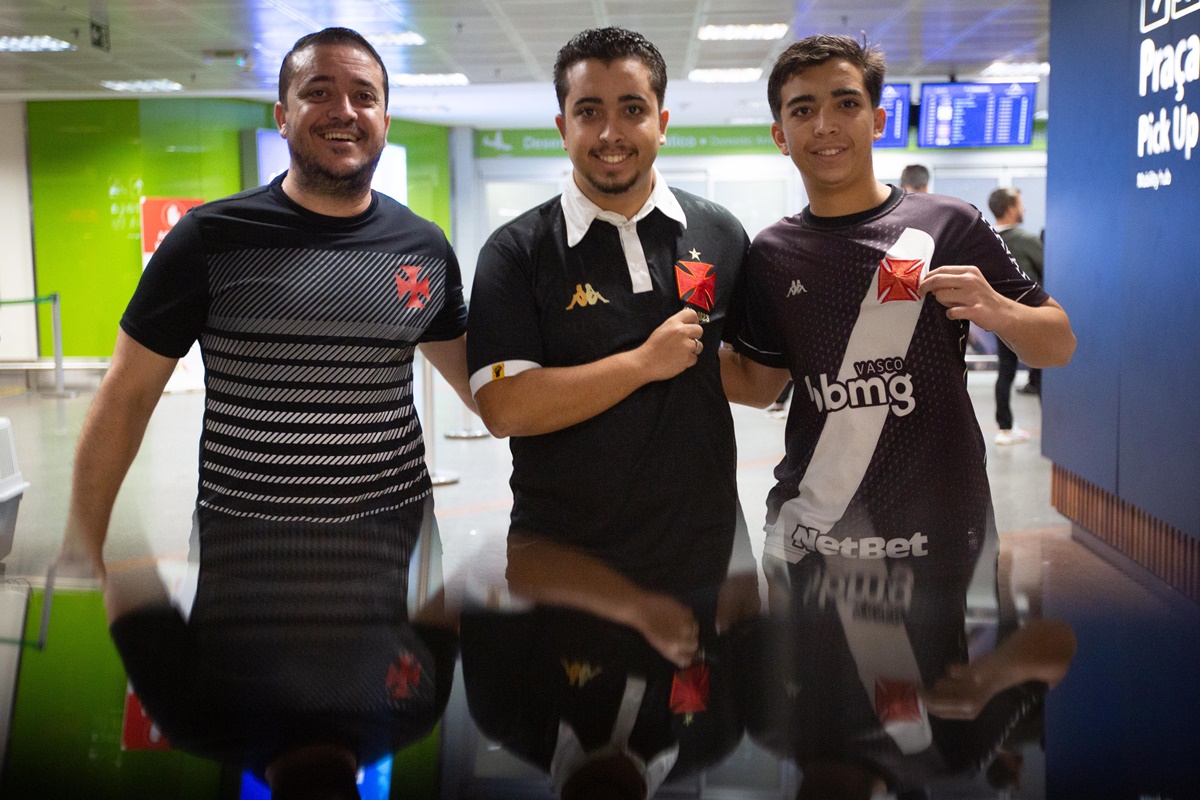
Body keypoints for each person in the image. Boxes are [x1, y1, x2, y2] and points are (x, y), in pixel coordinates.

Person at [55, 26, 472, 792]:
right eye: (317, 92)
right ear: (281, 114)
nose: (342, 110)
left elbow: (484, 388)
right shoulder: (211, 240)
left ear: (385, 115)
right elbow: (126, 396)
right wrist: (84, 549)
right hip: (245, 541)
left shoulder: (424, 247)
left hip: (395, 532)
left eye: (364, 95)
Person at [465, 24, 754, 765]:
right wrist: (642, 363)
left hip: (706, 555)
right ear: (562, 127)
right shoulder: (516, 251)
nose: (611, 131)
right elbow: (506, 408)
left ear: (663, 119)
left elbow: (756, 373)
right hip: (565, 555)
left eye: (632, 107)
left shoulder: (718, 232)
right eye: (589, 111)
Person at [720, 34, 1075, 581]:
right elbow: (760, 384)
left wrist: (997, 309)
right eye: (803, 109)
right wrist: (645, 349)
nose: (824, 125)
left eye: (846, 103)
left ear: (878, 120)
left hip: (945, 537)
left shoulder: (950, 224)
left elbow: (1058, 344)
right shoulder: (771, 252)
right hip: (809, 542)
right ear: (780, 136)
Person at [989, 188, 1045, 419]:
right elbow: (1047, 269)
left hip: (999, 317)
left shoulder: (986, 240)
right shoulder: (1027, 241)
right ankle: (1049, 429)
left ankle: (1004, 428)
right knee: (1041, 370)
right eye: (1021, 204)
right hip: (1031, 317)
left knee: (1006, 370)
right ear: (1011, 209)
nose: (1024, 209)